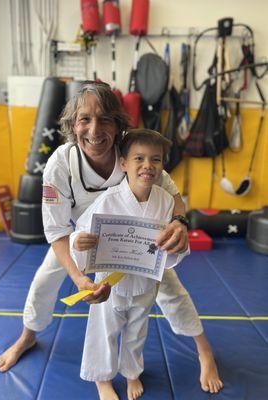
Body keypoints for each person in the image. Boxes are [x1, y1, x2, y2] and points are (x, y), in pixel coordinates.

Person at [0, 81, 222, 394]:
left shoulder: (133, 154)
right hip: (81, 239)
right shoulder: (61, 164)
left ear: (118, 126)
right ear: (72, 127)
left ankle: (203, 349)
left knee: (171, 288)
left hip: (134, 243)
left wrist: (179, 222)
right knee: (45, 280)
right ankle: (28, 335)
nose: (94, 129)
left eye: (104, 119)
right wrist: (78, 278)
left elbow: (173, 195)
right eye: (84, 119)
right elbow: (58, 231)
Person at [69, 129, 190, 400]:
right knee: (105, 330)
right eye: (139, 158)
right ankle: (102, 379)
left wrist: (174, 247)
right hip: (109, 283)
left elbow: (173, 246)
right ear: (123, 163)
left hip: (146, 281)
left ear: (162, 166)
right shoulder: (108, 199)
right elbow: (79, 231)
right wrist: (79, 242)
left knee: (138, 330)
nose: (148, 165)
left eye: (156, 160)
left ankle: (132, 371)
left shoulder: (166, 201)